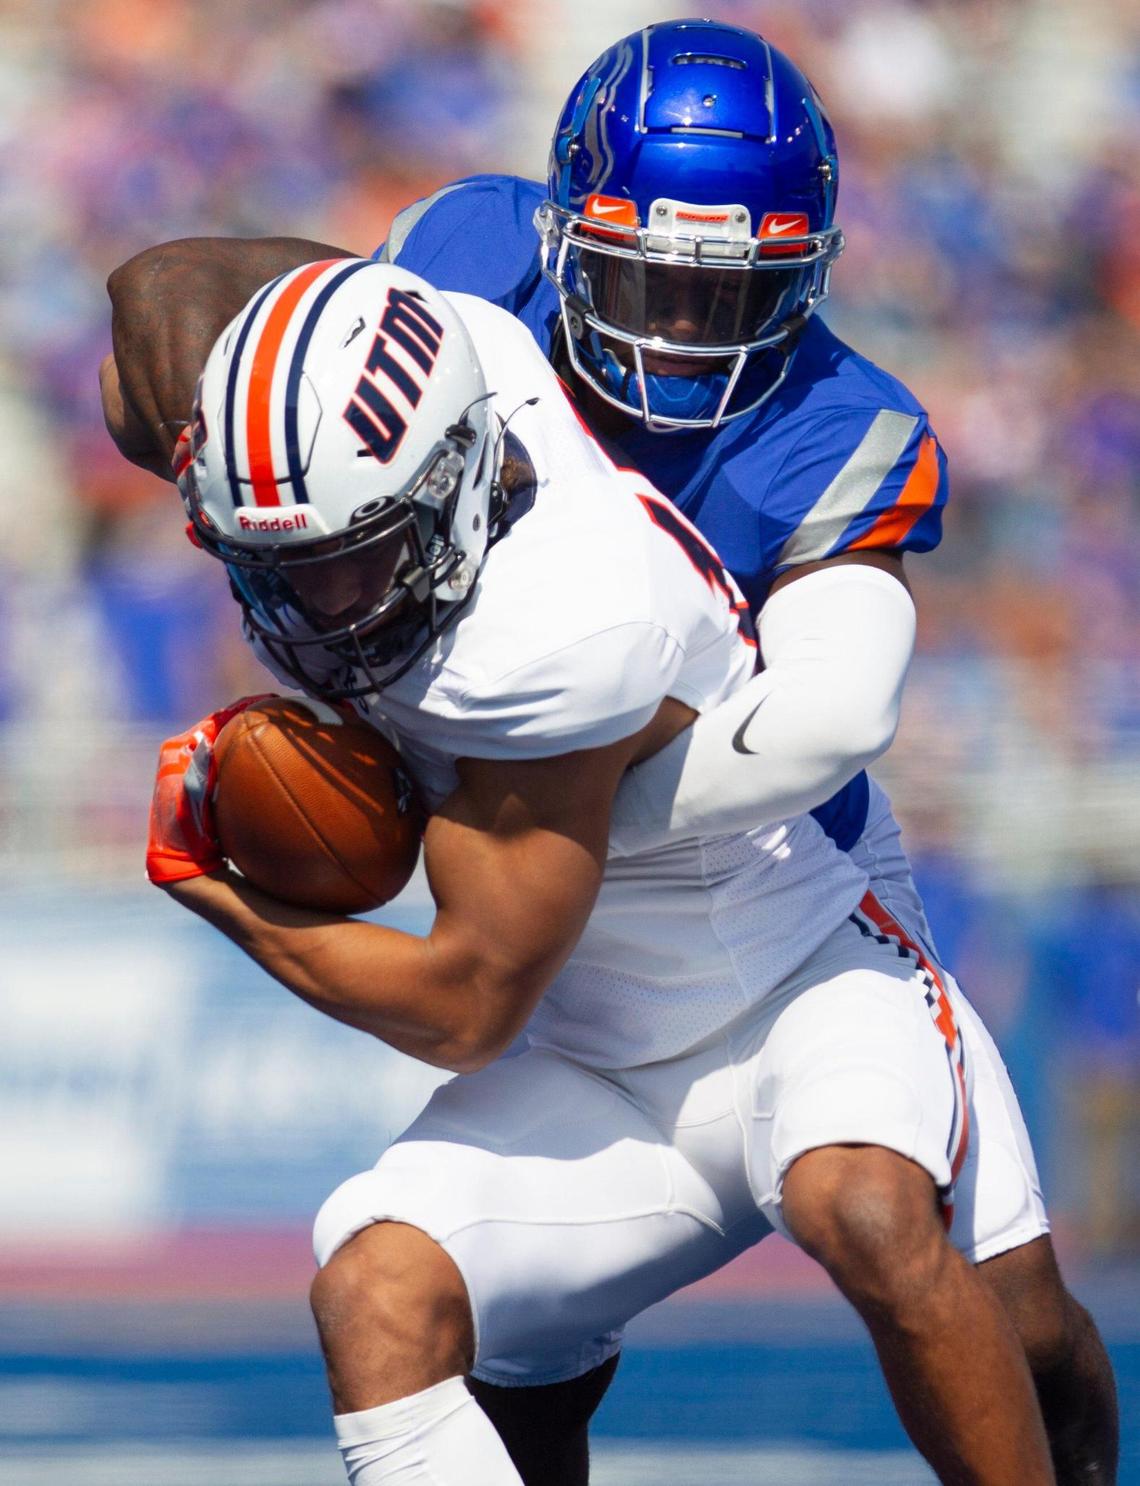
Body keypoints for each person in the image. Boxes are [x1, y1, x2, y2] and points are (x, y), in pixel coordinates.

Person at [103, 21, 1117, 1483]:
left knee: (979, 1298)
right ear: (565, 235)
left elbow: (824, 722)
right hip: (582, 995)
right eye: (646, 282)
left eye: (731, 296)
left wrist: (550, 808)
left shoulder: (749, 490)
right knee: (417, 1323)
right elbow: (182, 302)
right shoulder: (468, 277)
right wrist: (223, 389)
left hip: (778, 924)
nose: (682, 335)